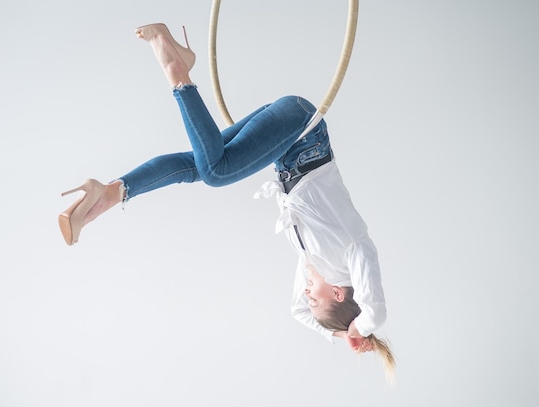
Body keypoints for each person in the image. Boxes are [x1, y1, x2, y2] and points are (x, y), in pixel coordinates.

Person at [59, 23, 395, 377]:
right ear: (340, 294)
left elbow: (298, 311)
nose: (306, 293)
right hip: (302, 129)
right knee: (217, 171)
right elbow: (376, 309)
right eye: (315, 296)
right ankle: (177, 71)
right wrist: (361, 329)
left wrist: (339, 334)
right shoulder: (351, 252)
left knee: (199, 167)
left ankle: (111, 192)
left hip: (288, 139)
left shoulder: (312, 263)